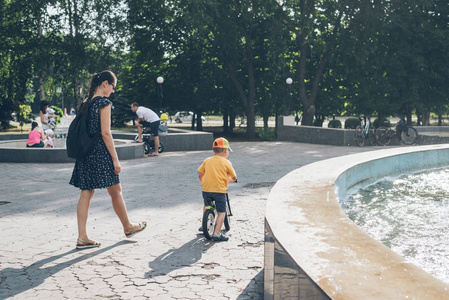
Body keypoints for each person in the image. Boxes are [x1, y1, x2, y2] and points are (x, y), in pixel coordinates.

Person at [69, 70, 146, 249]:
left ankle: (82, 237)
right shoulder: (104, 102)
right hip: (100, 153)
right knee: (116, 190)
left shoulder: (86, 102)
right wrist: (115, 159)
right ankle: (128, 227)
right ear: (105, 83)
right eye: (113, 86)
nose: (113, 90)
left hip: (85, 153)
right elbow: (105, 133)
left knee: (86, 192)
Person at [198, 137, 237, 241]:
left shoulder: (207, 160)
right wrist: (229, 180)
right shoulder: (226, 162)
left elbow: (200, 174)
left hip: (206, 189)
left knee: (206, 205)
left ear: (213, 150)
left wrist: (205, 183)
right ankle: (217, 233)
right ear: (225, 150)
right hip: (219, 191)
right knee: (221, 212)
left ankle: (204, 224)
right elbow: (233, 177)